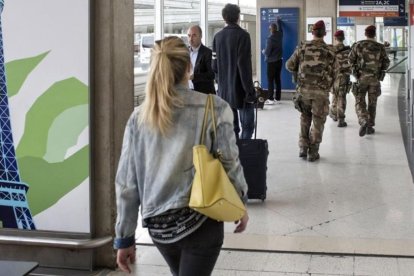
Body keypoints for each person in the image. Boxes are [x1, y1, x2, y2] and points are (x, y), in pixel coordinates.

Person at [113, 36, 249, 275]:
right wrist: (240, 202)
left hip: (159, 229)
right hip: (202, 222)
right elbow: (230, 161)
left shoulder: (139, 117)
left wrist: (124, 238)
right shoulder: (214, 107)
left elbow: (127, 183)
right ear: (189, 68)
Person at [286, 20, 335, 162]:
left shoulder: (302, 48)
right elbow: (337, 72)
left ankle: (303, 147)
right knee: (318, 121)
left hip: (304, 92)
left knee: (305, 117)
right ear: (325, 34)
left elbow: (289, 65)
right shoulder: (330, 51)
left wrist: (298, 70)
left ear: (312, 32)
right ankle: (313, 152)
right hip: (321, 93)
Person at [212, 3, 256, 139]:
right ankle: (242, 154)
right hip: (241, 92)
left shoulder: (217, 37)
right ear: (238, 17)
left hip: (224, 91)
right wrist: (250, 91)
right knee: (248, 126)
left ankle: (234, 155)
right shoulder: (243, 36)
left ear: (224, 18)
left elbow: (214, 66)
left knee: (232, 127)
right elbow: (244, 66)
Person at [349, 25, 390, 137]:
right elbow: (386, 62)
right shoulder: (380, 47)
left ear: (365, 34)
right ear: (374, 34)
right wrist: (380, 69)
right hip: (375, 80)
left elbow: (350, 60)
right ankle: (370, 126)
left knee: (359, 101)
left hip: (361, 79)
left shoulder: (358, 45)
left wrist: (356, 71)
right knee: (373, 103)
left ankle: (363, 120)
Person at [329, 30, 352, 127]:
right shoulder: (349, 50)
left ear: (335, 38)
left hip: (334, 77)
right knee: (342, 98)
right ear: (343, 38)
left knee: (334, 95)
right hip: (344, 77)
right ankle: (341, 119)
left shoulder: (331, 50)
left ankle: (334, 114)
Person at [187, 25, 216, 94]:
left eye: (194, 35)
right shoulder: (185, 52)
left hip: (204, 94)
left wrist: (194, 76)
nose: (191, 39)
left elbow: (212, 74)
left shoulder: (208, 53)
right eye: (189, 35)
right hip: (188, 93)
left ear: (200, 36)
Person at [262, 18, 283, 105]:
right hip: (279, 61)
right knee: (277, 79)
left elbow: (267, 52)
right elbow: (281, 28)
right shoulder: (280, 34)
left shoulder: (270, 39)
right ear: (276, 29)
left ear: (270, 30)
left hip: (271, 62)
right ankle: (278, 98)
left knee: (270, 80)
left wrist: (263, 51)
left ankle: (270, 98)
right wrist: (279, 22)